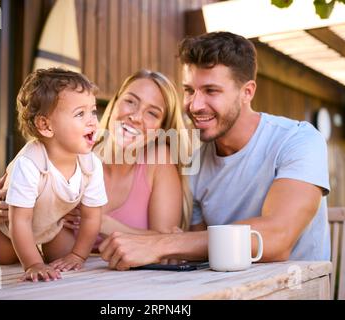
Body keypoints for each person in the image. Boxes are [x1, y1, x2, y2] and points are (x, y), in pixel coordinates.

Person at [98, 31, 331, 270]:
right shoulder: (195, 164)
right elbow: (197, 251)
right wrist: (172, 244)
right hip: (225, 288)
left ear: (247, 92)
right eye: (189, 91)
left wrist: (163, 243)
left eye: (211, 91)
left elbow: (276, 239)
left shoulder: (298, 140)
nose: (195, 105)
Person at [0, 70, 192, 263]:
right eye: (130, 101)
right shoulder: (73, 151)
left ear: (162, 128)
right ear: (114, 103)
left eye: (152, 113)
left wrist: (102, 222)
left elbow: (169, 245)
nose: (135, 116)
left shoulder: (158, 161)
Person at [0, 68, 107, 281]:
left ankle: (44, 251)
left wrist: (78, 255)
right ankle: (28, 253)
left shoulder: (91, 165)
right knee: (1, 256)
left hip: (51, 226)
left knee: (63, 255)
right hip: (11, 228)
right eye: (80, 114)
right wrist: (33, 264)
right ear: (45, 125)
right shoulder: (29, 164)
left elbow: (92, 216)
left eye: (93, 112)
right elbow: (20, 221)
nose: (92, 121)